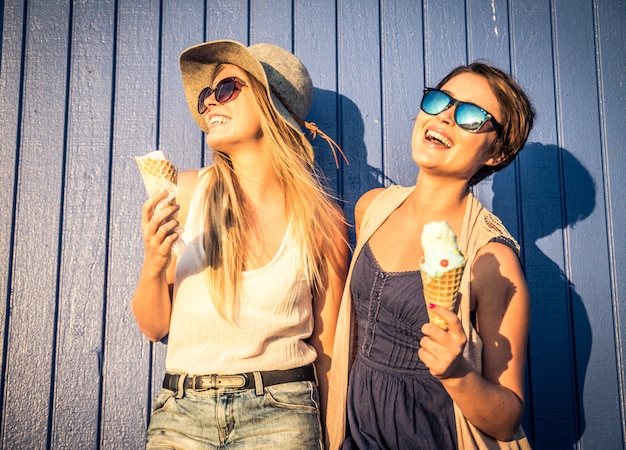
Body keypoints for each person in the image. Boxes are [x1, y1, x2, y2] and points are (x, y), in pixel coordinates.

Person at [131, 40, 349, 449]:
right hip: (182, 414)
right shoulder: (186, 192)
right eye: (205, 95)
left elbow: (328, 350)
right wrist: (154, 261)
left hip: (283, 414)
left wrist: (334, 440)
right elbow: (153, 325)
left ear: (272, 105)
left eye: (227, 88)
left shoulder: (322, 221)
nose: (210, 103)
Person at [326, 62, 535, 449]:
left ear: (496, 152)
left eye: (472, 115)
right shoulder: (371, 208)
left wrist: (457, 372)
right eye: (441, 100)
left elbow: (507, 421)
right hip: (356, 436)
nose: (447, 116)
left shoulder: (491, 260)